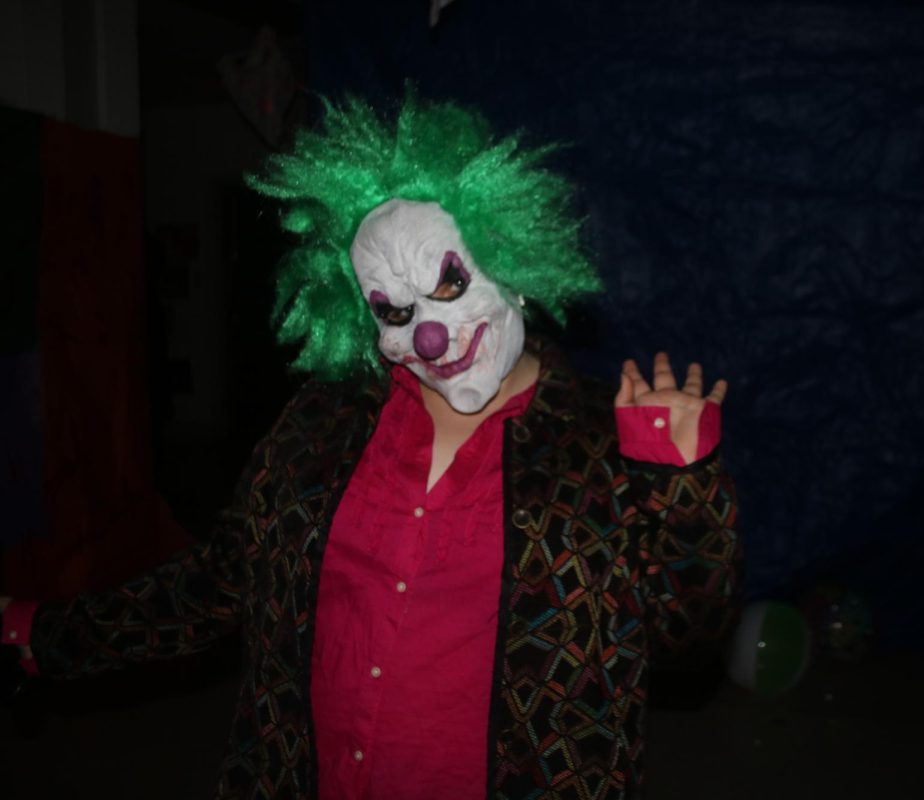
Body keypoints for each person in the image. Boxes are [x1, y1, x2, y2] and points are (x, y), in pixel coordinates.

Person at [0, 92, 740, 799]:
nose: (425, 335)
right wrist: (45, 634)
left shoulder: (598, 449)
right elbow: (224, 581)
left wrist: (682, 490)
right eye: (392, 307)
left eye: (448, 282)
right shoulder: (323, 425)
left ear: (511, 258)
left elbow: (686, 644)